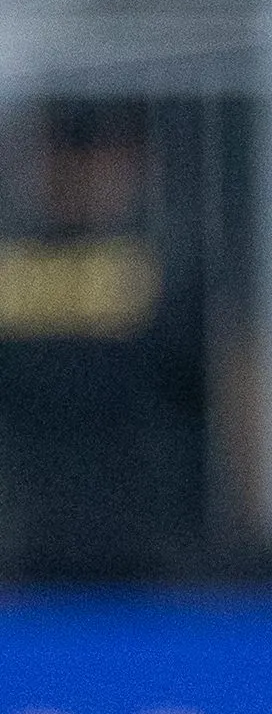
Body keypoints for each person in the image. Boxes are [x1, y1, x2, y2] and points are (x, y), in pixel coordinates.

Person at [0, 103, 208, 580]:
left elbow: (224, 388)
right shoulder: (15, 262)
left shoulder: (168, 264)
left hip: (146, 540)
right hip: (25, 542)